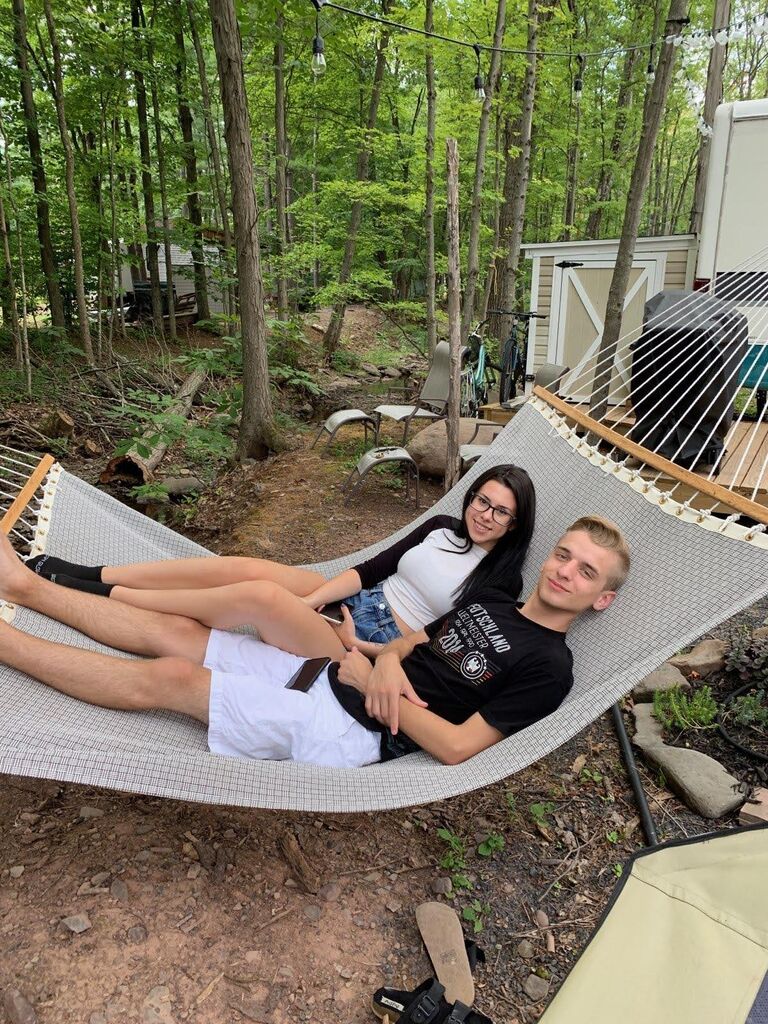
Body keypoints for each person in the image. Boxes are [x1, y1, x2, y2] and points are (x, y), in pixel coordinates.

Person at [0, 516, 629, 768]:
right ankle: (28, 589)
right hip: (338, 671)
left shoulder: (551, 666)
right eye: (564, 556)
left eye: (585, 572)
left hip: (355, 729)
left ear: (601, 599)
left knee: (173, 678)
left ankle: (7, 641)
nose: (564, 572)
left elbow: (461, 747)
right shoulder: (493, 601)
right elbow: (413, 646)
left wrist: (372, 683)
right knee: (181, 634)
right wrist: (379, 661)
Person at [27, 465, 535, 662]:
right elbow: (372, 567)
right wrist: (315, 599)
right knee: (238, 567)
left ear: (515, 523)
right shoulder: (442, 527)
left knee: (259, 598)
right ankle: (97, 573)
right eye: (480, 501)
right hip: (352, 602)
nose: (484, 515)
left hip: (368, 644)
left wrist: (358, 643)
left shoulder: (501, 581)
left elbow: (441, 643)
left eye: (499, 511)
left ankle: (92, 593)